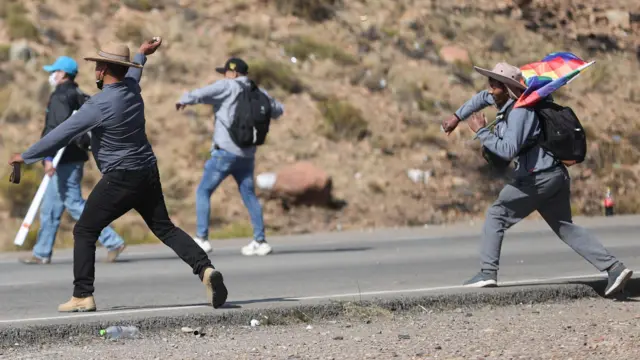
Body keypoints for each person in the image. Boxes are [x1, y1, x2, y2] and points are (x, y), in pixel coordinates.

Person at [8, 38, 228, 312]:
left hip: (121, 177)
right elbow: (136, 72)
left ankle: (82, 295)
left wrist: (25, 156)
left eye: (98, 66)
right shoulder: (132, 89)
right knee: (165, 227)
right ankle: (205, 269)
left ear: (101, 71)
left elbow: (61, 134)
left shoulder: (97, 106)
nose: (95, 70)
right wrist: (142, 54)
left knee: (85, 230)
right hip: (148, 171)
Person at [441, 62, 633, 297]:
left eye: (494, 86)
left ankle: (487, 272)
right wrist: (456, 117)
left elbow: (507, 150)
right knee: (565, 228)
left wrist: (481, 131)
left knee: (497, 215)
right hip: (554, 175)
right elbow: (481, 98)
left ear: (508, 88)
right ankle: (615, 268)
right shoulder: (508, 100)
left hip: (536, 178)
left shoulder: (521, 111)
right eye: (489, 84)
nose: (490, 90)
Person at [20, 56, 126, 265]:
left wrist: (48, 157)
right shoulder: (79, 94)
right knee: (50, 206)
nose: (51, 75)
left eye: (54, 72)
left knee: (74, 203)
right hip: (73, 157)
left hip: (64, 159)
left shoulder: (61, 96)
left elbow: (56, 130)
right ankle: (41, 252)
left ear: (62, 74)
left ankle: (112, 241)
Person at [176, 57, 285, 256]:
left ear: (233, 73)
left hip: (224, 153)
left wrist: (184, 99)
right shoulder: (258, 91)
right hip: (247, 154)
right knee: (249, 195)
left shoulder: (227, 86)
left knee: (203, 191)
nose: (224, 76)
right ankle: (260, 241)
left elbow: (202, 93)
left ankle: (202, 238)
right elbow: (278, 110)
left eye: (226, 72)